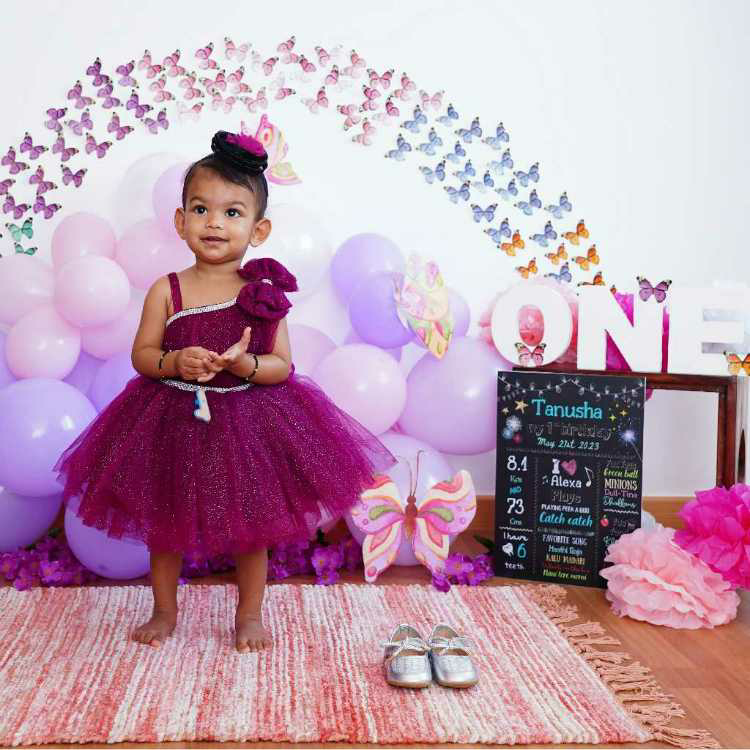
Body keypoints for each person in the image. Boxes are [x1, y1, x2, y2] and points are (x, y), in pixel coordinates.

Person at [54, 130, 396, 653]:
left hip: (247, 426)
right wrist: (174, 361)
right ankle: (164, 610)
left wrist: (245, 363)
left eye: (232, 213)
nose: (214, 223)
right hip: (171, 421)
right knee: (165, 524)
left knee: (251, 528)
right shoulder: (167, 289)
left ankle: (249, 614)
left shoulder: (261, 296)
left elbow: (282, 366)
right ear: (180, 221)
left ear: (259, 230)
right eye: (201, 209)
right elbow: (142, 355)